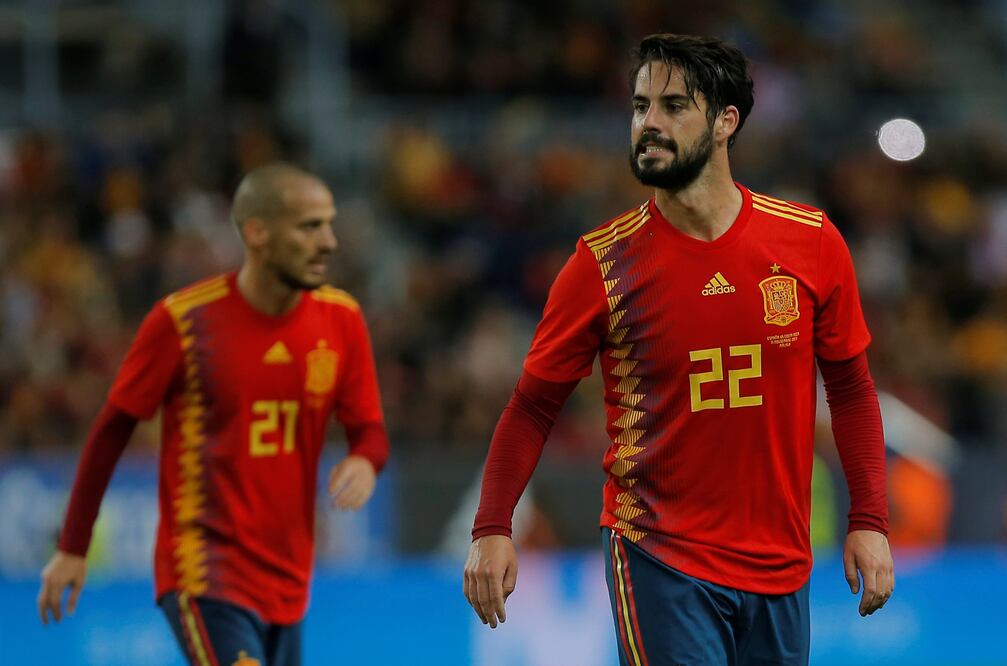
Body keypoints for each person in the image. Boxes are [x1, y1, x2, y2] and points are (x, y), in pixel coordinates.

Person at [462, 34, 894, 666]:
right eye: (640, 107)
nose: (648, 124)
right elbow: (531, 408)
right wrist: (492, 528)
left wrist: (871, 521)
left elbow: (852, 391)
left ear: (726, 121)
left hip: (780, 563)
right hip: (658, 554)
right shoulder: (601, 264)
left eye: (672, 106)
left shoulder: (811, 243)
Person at [38, 163, 389, 666]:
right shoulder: (183, 322)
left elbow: (371, 432)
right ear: (257, 233)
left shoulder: (342, 320)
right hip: (203, 567)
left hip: (288, 576)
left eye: (329, 224)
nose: (329, 242)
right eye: (310, 226)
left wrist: (363, 461)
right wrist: (73, 546)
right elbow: (111, 431)